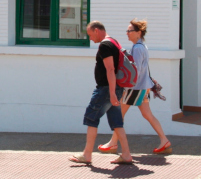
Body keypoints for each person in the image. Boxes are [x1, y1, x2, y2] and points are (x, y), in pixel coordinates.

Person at [98, 19, 172, 155]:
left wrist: (126, 88)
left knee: (118, 114)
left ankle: (113, 144)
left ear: (138, 32)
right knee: (147, 114)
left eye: (130, 31)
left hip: (135, 88)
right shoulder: (142, 46)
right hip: (143, 87)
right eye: (127, 30)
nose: (127, 33)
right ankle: (164, 141)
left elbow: (135, 71)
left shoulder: (137, 48)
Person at [69, 21, 133, 165]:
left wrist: (111, 93)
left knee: (91, 118)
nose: (91, 39)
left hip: (106, 89)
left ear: (97, 30)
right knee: (117, 122)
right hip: (114, 88)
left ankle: (87, 155)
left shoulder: (105, 45)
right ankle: (127, 154)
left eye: (91, 35)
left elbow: (110, 69)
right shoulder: (114, 42)